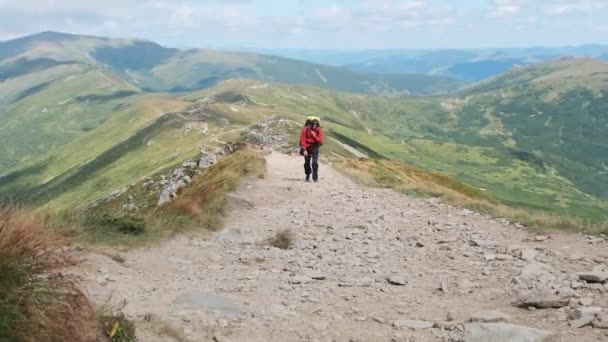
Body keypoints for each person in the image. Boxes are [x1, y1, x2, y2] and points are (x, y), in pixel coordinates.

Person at [299, 117, 323, 182]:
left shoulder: (319, 130)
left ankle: (315, 178)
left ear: (318, 125)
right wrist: (304, 150)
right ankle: (307, 174)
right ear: (311, 124)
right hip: (307, 147)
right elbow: (302, 140)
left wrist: (314, 136)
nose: (315, 125)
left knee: (314, 163)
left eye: (316, 124)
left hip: (315, 147)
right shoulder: (306, 129)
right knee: (307, 163)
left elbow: (320, 141)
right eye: (313, 124)